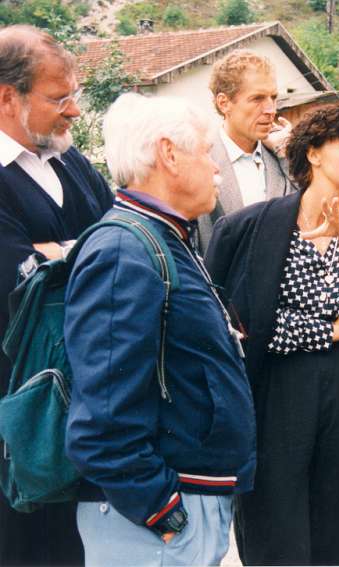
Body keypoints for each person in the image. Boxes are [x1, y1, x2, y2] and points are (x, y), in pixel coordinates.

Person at [63, 93, 256, 566]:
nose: (216, 168)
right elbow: (102, 423)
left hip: (180, 507)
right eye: (207, 152)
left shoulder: (162, 238)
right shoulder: (124, 250)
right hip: (154, 521)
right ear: (169, 154)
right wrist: (162, 512)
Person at [206, 104, 339, 565]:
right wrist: (330, 331)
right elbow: (244, 325)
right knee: (273, 527)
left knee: (336, 529)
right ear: (313, 152)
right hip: (275, 390)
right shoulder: (247, 228)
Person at [0, 24, 113, 566]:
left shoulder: (72, 162)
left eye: (76, 95)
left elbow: (126, 243)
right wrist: (85, 253)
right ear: (7, 97)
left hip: (86, 401)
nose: (73, 111)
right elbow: (16, 279)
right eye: (58, 97)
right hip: (18, 410)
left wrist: (57, 251)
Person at [196, 48, 295, 254]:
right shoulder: (199, 161)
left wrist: (286, 153)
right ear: (224, 103)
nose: (271, 110)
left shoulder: (283, 157)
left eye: (273, 97)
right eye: (257, 99)